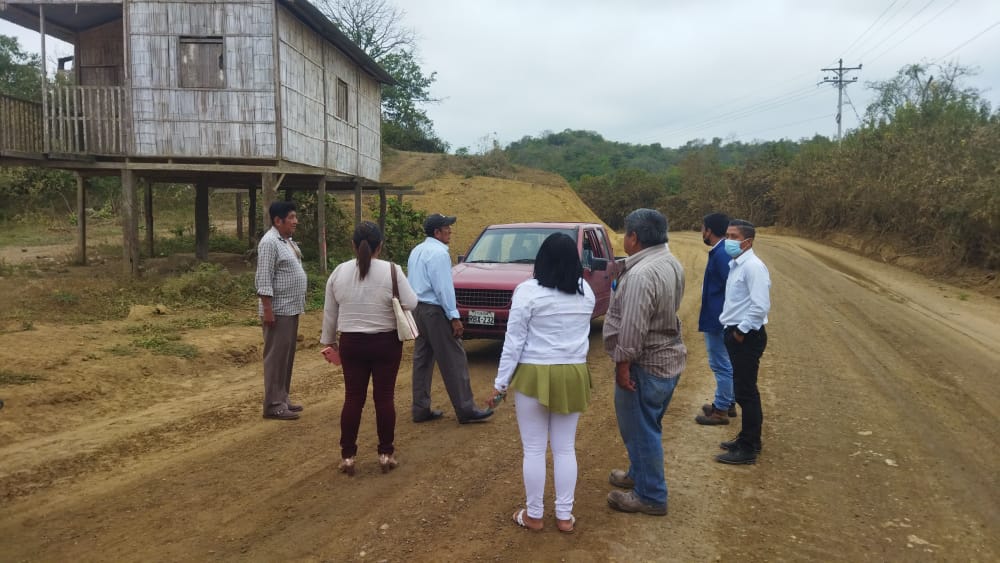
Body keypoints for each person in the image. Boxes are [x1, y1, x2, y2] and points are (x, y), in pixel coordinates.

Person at [487, 233, 596, 533]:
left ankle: (534, 514)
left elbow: (514, 342)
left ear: (542, 260)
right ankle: (564, 516)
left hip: (534, 375)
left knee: (534, 449)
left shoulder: (527, 292)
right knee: (565, 448)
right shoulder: (586, 291)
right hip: (573, 373)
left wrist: (500, 384)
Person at [603, 208, 686, 516]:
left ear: (634, 237)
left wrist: (623, 364)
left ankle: (651, 495)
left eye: (625, 234)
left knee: (640, 429)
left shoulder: (640, 275)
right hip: (666, 359)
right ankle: (639, 474)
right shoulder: (670, 262)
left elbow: (633, 327)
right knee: (647, 424)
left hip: (644, 365)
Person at [320, 221, 418, 476]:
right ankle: (385, 454)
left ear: (353, 245)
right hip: (386, 343)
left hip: (352, 344)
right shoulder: (392, 270)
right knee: (384, 398)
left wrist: (329, 341)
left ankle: (348, 457)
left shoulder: (339, 272)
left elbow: (330, 312)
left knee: (353, 398)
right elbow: (411, 302)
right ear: (380, 246)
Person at [407, 213, 493, 424]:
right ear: (437, 232)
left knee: (422, 360)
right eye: (447, 227)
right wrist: (453, 316)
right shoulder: (439, 253)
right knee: (454, 359)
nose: (450, 230)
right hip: (435, 312)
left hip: (418, 309)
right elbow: (443, 288)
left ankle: (420, 408)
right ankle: (466, 409)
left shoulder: (417, 250)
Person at [716, 219, 771, 465]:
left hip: (746, 336)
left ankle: (749, 447)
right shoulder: (737, 264)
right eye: (727, 235)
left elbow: (760, 306)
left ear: (747, 242)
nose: (728, 240)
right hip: (736, 333)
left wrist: (741, 331)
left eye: (733, 237)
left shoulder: (753, 267)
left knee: (746, 392)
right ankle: (748, 439)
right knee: (743, 390)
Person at [255, 201, 308, 421]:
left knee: (286, 357)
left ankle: (282, 398)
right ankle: (273, 405)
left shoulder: (286, 241)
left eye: (295, 217)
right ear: (278, 220)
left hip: (291, 308)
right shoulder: (269, 242)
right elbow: (264, 277)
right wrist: (268, 309)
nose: (296, 221)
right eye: (291, 217)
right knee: (276, 358)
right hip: (278, 310)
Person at [695, 212, 737, 425]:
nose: (701, 232)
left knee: (721, 364)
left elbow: (732, 288)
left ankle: (720, 410)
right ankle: (727, 402)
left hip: (718, 318)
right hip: (720, 317)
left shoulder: (721, 254)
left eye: (703, 228)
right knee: (725, 362)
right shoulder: (722, 251)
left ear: (709, 230)